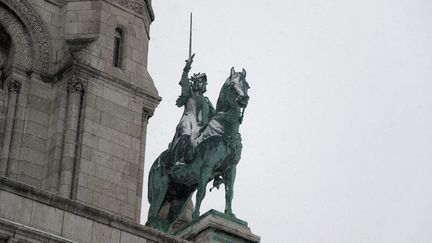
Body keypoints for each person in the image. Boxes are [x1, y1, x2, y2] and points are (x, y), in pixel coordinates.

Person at [169, 54, 215, 164]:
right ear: (194, 82)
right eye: (199, 81)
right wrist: (187, 67)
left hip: (202, 127)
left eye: (202, 82)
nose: (201, 84)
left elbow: (215, 116)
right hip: (188, 121)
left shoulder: (207, 101)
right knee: (186, 134)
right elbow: (184, 81)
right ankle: (179, 160)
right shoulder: (189, 93)